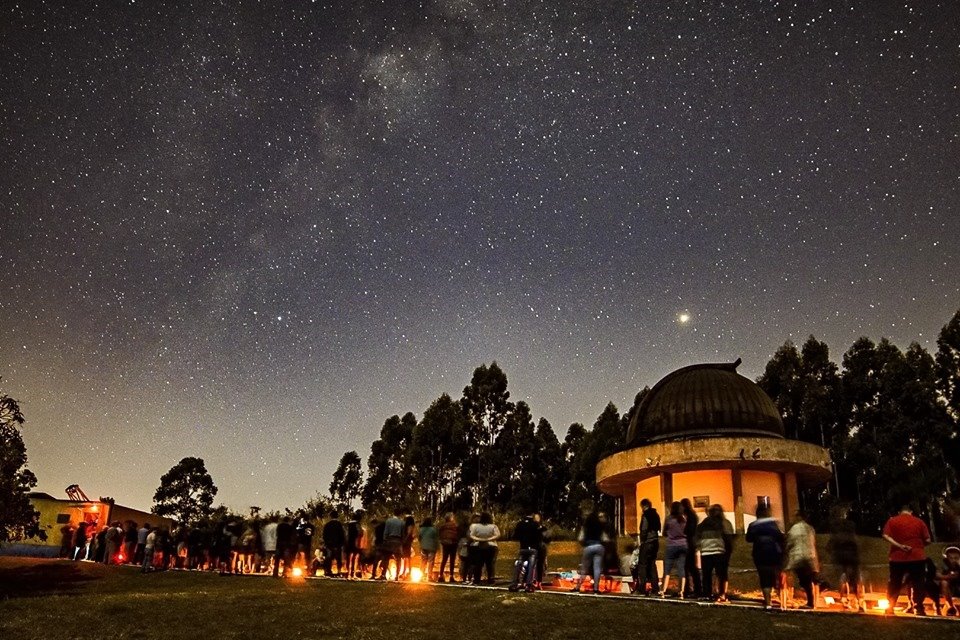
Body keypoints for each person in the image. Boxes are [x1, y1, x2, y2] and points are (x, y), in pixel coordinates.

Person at [882, 504, 931, 616]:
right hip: (917, 557)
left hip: (897, 557)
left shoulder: (892, 521)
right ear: (911, 511)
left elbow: (885, 535)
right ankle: (919, 608)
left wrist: (899, 546)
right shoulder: (919, 522)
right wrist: (918, 546)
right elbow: (928, 540)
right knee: (918, 582)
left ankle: (890, 607)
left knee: (895, 582)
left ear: (899, 512)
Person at [746, 504, 785, 611]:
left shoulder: (753, 525)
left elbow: (748, 538)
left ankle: (768, 602)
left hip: (759, 554)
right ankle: (782, 600)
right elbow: (781, 537)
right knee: (776, 576)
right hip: (774, 553)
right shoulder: (774, 524)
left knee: (764, 578)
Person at [827, 506, 865, 612]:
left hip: (841, 556)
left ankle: (844, 600)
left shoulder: (837, 530)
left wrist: (833, 553)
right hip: (853, 556)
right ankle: (859, 602)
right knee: (856, 579)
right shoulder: (851, 533)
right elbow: (857, 543)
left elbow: (830, 544)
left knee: (843, 578)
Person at [697, 504, 734, 602]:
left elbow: (697, 533)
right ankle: (721, 594)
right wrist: (729, 550)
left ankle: (707, 593)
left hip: (706, 551)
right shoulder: (724, 523)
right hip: (719, 550)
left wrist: (698, 546)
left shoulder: (705, 523)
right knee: (721, 574)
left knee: (707, 575)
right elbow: (728, 537)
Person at [785, 511, 819, 609]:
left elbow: (790, 543)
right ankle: (812, 599)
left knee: (804, 580)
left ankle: (810, 602)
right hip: (810, 557)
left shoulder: (794, 529)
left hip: (799, 557)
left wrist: (787, 550)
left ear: (799, 517)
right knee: (809, 579)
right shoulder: (810, 528)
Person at [571, 511, 606, 594]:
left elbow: (580, 538)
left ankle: (578, 587)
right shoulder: (600, 526)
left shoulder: (586, 526)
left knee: (584, 569)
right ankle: (596, 589)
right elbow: (605, 538)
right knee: (597, 568)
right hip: (599, 546)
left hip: (589, 547)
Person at [509, 512, 543, 592]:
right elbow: (539, 537)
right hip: (533, 548)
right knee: (531, 566)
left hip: (523, 547)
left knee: (519, 564)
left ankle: (514, 583)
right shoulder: (535, 525)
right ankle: (529, 584)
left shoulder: (520, 524)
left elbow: (515, 536)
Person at [660, 501, 687, 598]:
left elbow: (664, 532)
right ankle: (681, 591)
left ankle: (663, 590)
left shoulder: (668, 519)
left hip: (671, 545)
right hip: (683, 545)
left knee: (667, 569)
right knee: (681, 569)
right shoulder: (683, 519)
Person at [635, 498, 661, 596]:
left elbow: (644, 529)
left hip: (647, 542)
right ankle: (655, 588)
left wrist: (641, 540)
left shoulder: (646, 515)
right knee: (652, 565)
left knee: (642, 565)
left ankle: (641, 588)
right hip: (655, 542)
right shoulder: (656, 515)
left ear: (643, 506)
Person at [469, 512, 500, 585]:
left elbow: (471, 535)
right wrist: (489, 539)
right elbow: (498, 535)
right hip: (491, 546)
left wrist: (479, 539)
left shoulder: (475, 526)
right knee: (489, 563)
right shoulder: (493, 526)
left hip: (477, 546)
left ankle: (477, 579)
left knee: (478, 564)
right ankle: (491, 579)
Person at [680, 498, 702, 598]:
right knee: (689, 567)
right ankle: (692, 588)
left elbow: (690, 530)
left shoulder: (689, 516)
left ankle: (692, 589)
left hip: (689, 543)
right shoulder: (691, 515)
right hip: (690, 543)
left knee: (690, 567)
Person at [380, 508, 405, 580]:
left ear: (393, 513)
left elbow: (386, 531)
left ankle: (383, 574)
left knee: (386, 558)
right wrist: (402, 542)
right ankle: (397, 575)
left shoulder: (388, 521)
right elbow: (402, 533)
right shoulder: (402, 522)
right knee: (398, 559)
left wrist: (385, 540)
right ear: (400, 514)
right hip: (398, 541)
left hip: (389, 540)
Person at [437, 512, 460, 583]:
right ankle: (451, 576)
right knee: (452, 560)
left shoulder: (443, 526)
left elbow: (439, 534)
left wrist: (442, 540)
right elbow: (458, 533)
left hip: (445, 544)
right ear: (451, 518)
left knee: (444, 560)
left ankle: (440, 576)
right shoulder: (455, 525)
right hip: (453, 543)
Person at [938, 546, 960, 616]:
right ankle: (951, 607)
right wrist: (948, 576)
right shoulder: (943, 564)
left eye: (956, 558)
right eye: (951, 558)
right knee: (944, 582)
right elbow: (938, 575)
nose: (953, 560)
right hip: (948, 584)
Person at [322, 510, 345, 577]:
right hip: (337, 544)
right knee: (338, 558)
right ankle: (339, 571)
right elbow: (342, 535)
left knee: (328, 558)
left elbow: (324, 535)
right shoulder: (339, 525)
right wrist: (341, 543)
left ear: (330, 516)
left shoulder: (327, 525)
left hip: (329, 544)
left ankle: (328, 571)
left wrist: (326, 543)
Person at [418, 517, 439, 581]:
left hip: (423, 547)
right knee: (430, 562)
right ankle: (429, 576)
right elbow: (436, 539)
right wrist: (437, 547)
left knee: (423, 562)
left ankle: (421, 576)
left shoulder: (421, 529)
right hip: (431, 547)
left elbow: (419, 538)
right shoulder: (433, 530)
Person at [346, 511, 365, 579]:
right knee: (355, 558)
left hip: (349, 543)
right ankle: (353, 573)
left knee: (349, 558)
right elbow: (360, 533)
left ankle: (348, 573)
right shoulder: (357, 524)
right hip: (356, 543)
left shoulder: (348, 524)